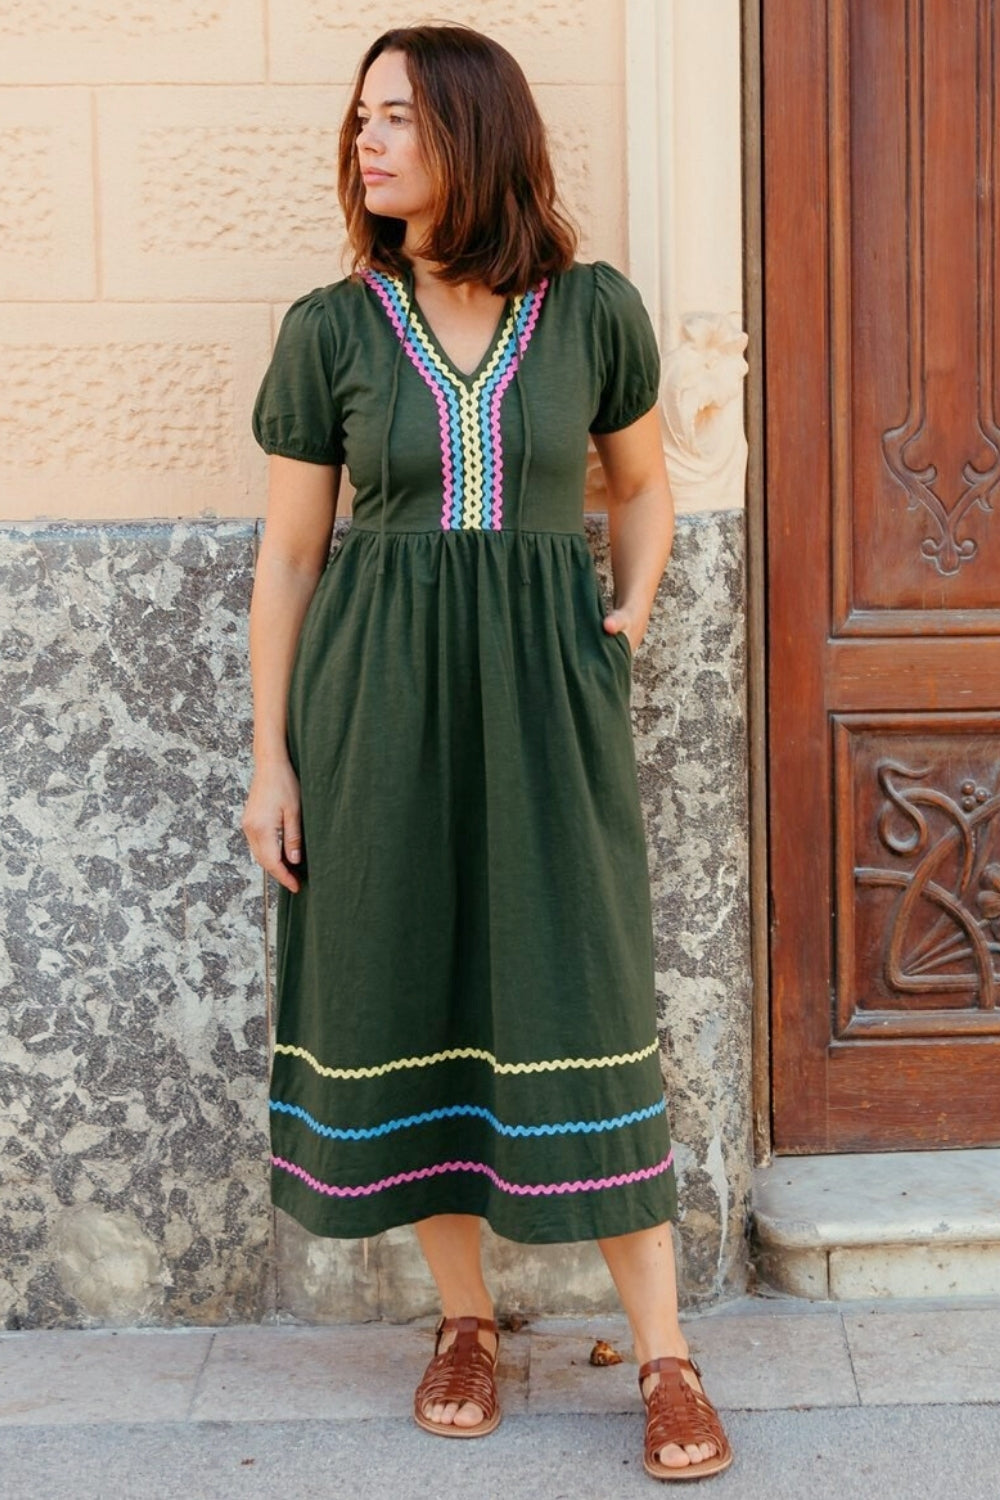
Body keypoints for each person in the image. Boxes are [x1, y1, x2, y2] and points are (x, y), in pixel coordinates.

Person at [242, 24, 732, 1482]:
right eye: (361, 117)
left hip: (543, 702)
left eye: (397, 115)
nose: (367, 139)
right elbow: (289, 556)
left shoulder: (590, 312)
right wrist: (272, 758)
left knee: (584, 983)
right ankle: (464, 1321)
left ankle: (666, 1354)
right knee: (410, 983)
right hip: (373, 705)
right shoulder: (331, 330)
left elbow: (641, 487)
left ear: (474, 130)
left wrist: (627, 617)